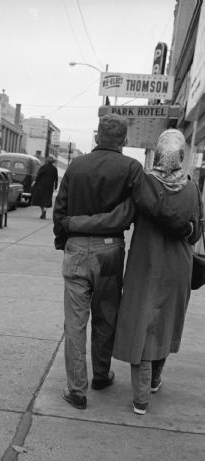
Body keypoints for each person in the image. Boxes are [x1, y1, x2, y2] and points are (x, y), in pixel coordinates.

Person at [65, 128, 203, 415]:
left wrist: (75, 224)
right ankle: (153, 380)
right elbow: (194, 233)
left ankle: (140, 397)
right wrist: (185, 227)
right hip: (179, 267)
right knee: (165, 322)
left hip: (145, 266)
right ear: (181, 155)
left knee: (141, 323)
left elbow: (124, 215)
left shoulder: (146, 184)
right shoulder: (192, 188)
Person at [52, 114, 143, 410]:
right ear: (124, 141)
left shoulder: (76, 166)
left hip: (76, 248)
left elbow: (60, 209)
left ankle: (77, 390)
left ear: (95, 137)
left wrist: (62, 239)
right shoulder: (131, 168)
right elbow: (142, 206)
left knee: (75, 323)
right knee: (106, 316)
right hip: (110, 251)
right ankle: (101, 375)